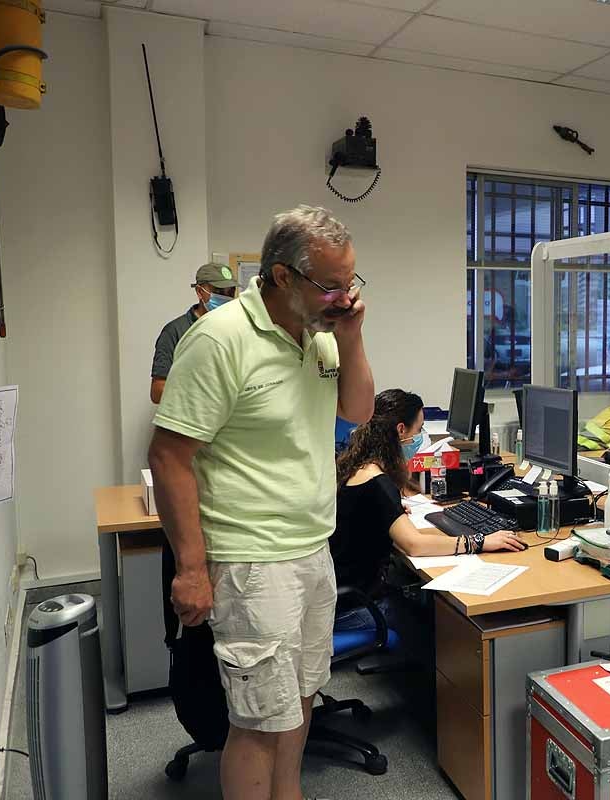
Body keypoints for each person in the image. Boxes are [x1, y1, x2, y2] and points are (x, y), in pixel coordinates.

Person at [148, 205, 375, 800]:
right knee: (255, 723)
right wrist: (193, 569)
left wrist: (350, 337)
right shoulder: (221, 340)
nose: (344, 295)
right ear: (282, 277)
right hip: (251, 561)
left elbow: (357, 412)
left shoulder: (320, 334)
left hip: (310, 548)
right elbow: (169, 456)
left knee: (297, 704)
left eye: (350, 281)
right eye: (331, 284)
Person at [331, 415, 525, 629]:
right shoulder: (378, 483)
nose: (420, 440)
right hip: (356, 610)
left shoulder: (352, 469)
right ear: (399, 435)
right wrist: (480, 541)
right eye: (419, 429)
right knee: (438, 623)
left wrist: (388, 512)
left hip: (337, 602)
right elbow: (415, 545)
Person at [150, 262, 239, 404]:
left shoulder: (238, 328)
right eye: (219, 292)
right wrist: (203, 395)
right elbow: (157, 391)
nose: (226, 298)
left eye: (230, 292)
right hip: (190, 420)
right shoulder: (175, 331)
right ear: (199, 291)